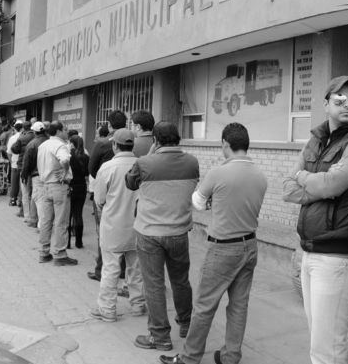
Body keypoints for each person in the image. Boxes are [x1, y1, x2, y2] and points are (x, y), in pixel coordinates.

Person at [282, 75, 348, 364]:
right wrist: (320, 184)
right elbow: (288, 189)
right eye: (340, 99)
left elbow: (330, 185)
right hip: (311, 250)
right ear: (326, 104)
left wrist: (306, 177)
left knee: (326, 346)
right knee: (324, 341)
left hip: (340, 256)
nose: (347, 104)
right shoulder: (316, 141)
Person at [159, 123, 267, 364]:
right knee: (239, 305)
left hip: (223, 247)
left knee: (204, 306)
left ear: (225, 144)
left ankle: (189, 358)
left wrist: (212, 202)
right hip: (250, 245)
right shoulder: (260, 175)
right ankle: (231, 357)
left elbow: (197, 202)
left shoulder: (218, 173)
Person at [125, 121, 199, 351]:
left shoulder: (144, 162)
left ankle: (160, 337)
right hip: (179, 233)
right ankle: (186, 324)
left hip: (149, 233)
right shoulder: (192, 162)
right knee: (180, 280)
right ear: (178, 139)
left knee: (154, 285)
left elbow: (130, 182)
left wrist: (149, 155)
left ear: (155, 141)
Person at [90, 129, 147, 322]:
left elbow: (99, 199)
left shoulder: (107, 167)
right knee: (136, 269)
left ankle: (107, 309)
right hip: (138, 226)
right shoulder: (143, 165)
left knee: (111, 269)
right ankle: (138, 305)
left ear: (115, 145)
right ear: (133, 145)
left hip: (113, 226)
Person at [87, 110, 127, 282]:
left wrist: (103, 179)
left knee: (103, 231)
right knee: (126, 229)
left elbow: (92, 169)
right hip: (128, 191)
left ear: (109, 125)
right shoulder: (132, 141)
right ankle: (123, 270)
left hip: (106, 192)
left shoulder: (102, 143)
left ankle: (101, 270)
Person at [37, 121, 76, 266]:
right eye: (65, 129)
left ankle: (43, 252)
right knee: (61, 221)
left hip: (45, 185)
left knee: (46, 221)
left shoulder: (43, 145)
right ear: (59, 131)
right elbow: (65, 159)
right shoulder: (60, 145)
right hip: (58, 186)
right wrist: (65, 171)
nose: (67, 132)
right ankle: (60, 254)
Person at [20, 121, 49, 228]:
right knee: (41, 199)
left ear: (34, 132)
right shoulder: (50, 141)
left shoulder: (32, 144)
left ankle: (41, 225)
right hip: (50, 175)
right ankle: (34, 220)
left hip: (37, 175)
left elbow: (27, 162)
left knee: (38, 199)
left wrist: (24, 175)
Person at [68, 135, 89, 249]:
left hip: (70, 186)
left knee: (68, 214)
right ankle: (79, 242)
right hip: (82, 187)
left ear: (72, 144)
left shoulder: (68, 156)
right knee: (78, 214)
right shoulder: (86, 157)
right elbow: (87, 173)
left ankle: (67, 243)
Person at [7, 121, 24, 207]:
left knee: (14, 182)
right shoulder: (25, 137)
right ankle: (20, 201)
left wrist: (11, 161)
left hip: (14, 163)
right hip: (23, 163)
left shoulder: (12, 138)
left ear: (15, 128)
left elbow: (9, 152)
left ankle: (13, 200)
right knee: (22, 183)